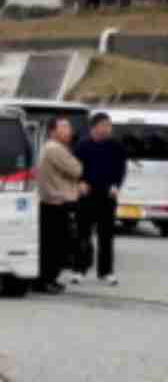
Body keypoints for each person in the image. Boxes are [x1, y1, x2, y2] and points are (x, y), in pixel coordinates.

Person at [72, 112, 127, 287]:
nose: (107, 128)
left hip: (107, 196)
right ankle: (79, 270)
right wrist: (79, 183)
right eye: (104, 125)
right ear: (94, 127)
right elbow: (74, 168)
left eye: (109, 125)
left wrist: (116, 185)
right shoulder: (82, 145)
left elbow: (121, 169)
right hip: (86, 196)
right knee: (83, 235)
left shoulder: (116, 146)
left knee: (106, 236)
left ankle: (106, 272)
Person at [36, 119, 86, 293]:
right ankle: (46, 279)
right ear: (52, 131)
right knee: (55, 245)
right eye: (64, 127)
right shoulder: (55, 149)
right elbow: (77, 169)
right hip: (56, 203)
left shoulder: (51, 148)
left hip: (52, 202)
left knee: (53, 244)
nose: (69, 130)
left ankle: (48, 278)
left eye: (69, 127)